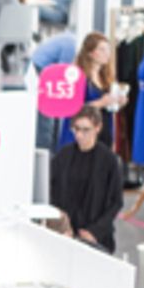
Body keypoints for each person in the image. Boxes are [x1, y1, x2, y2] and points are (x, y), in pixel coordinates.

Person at [50, 107, 125, 254]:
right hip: (66, 236)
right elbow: (51, 193)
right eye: (76, 129)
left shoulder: (109, 161)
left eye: (86, 130)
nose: (79, 135)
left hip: (97, 238)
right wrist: (61, 227)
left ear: (98, 128)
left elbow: (116, 202)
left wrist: (94, 231)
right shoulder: (63, 156)